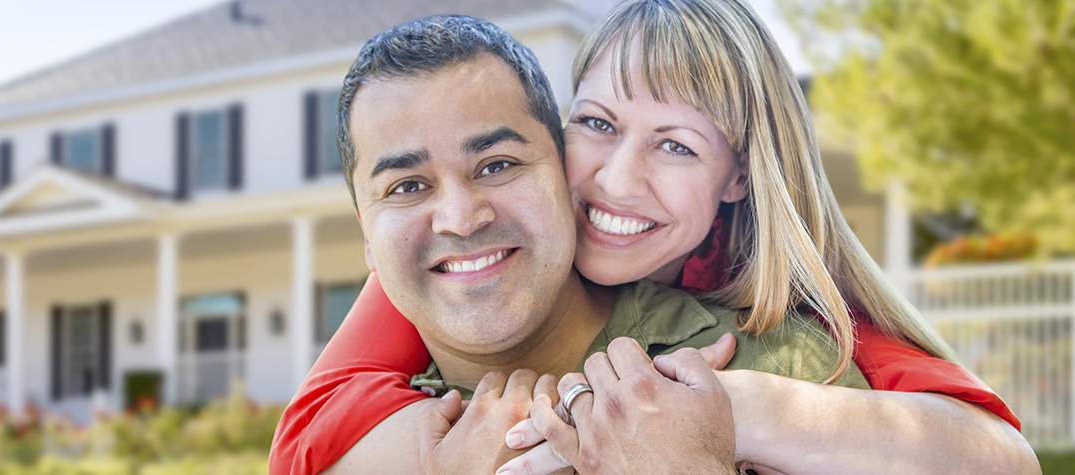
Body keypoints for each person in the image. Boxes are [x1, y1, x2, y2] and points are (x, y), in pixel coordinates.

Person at [270, 0, 1039, 473]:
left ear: (740, 178)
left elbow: (1002, 462)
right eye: (598, 125)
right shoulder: (442, 271)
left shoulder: (786, 341)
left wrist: (726, 410)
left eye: (676, 145)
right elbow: (304, 433)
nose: (615, 179)